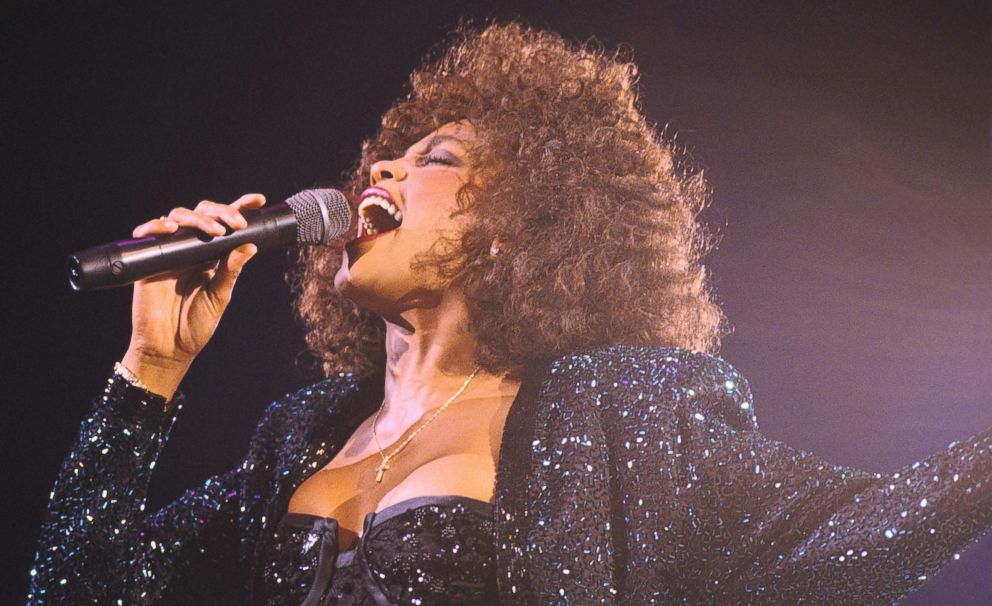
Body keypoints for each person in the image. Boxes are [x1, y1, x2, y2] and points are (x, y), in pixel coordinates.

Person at [28, 22, 992, 606]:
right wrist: (147, 377)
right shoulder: (296, 437)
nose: (386, 170)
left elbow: (849, 530)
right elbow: (77, 592)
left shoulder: (620, 416)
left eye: (436, 158)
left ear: (525, 223)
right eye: (387, 159)